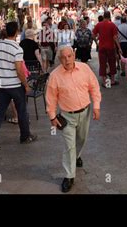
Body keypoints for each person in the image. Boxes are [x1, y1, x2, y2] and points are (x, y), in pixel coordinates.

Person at [46, 46, 101, 193]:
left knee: (81, 139)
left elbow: (94, 87)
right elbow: (51, 98)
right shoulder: (55, 76)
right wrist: (52, 116)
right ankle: (69, 176)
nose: (67, 60)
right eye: (63, 57)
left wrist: (96, 106)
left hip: (85, 112)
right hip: (66, 117)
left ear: (74, 54)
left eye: (69, 56)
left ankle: (77, 156)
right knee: (69, 146)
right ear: (59, 59)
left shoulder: (84, 68)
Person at [0, 22, 37, 151]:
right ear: (17, 32)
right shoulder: (17, 49)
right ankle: (25, 136)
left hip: (2, 85)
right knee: (22, 111)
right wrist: (26, 85)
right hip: (15, 85)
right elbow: (19, 70)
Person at [93, 11, 122, 87]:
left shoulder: (99, 25)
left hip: (102, 47)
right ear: (109, 16)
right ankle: (112, 81)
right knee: (112, 63)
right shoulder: (112, 25)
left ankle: (105, 81)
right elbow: (115, 37)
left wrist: (97, 43)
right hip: (111, 47)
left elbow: (93, 35)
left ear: (103, 16)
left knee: (102, 63)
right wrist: (119, 48)